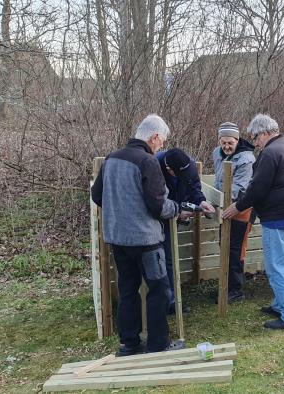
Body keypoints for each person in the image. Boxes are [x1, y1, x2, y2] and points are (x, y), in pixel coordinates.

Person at [91, 114, 184, 356]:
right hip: (145, 242)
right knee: (159, 290)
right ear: (154, 137)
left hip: (118, 239)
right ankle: (158, 344)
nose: (161, 145)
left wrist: (121, 209)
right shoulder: (147, 162)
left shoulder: (112, 158)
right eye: (161, 141)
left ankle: (129, 344)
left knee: (128, 291)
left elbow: (97, 196)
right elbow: (158, 205)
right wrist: (177, 208)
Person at [222, 114, 284, 330]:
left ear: (264, 132)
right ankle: (281, 304)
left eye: (255, 138)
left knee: (277, 269)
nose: (255, 143)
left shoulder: (271, 152)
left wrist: (236, 207)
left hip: (281, 219)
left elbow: (257, 189)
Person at [155, 148, 215, 313]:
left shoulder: (188, 164)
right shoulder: (155, 166)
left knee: (171, 258)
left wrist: (201, 201)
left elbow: (194, 186)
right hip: (158, 219)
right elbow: (155, 200)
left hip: (175, 215)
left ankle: (172, 301)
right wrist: (176, 211)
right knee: (164, 259)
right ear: (169, 170)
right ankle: (168, 302)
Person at [212, 122, 255, 303]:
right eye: (223, 142)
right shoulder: (217, 153)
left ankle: (235, 290)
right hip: (225, 206)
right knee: (225, 245)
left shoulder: (246, 159)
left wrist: (217, 199)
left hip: (242, 208)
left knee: (235, 249)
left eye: (230, 142)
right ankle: (228, 286)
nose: (226, 146)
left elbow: (238, 189)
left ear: (237, 140)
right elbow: (218, 180)